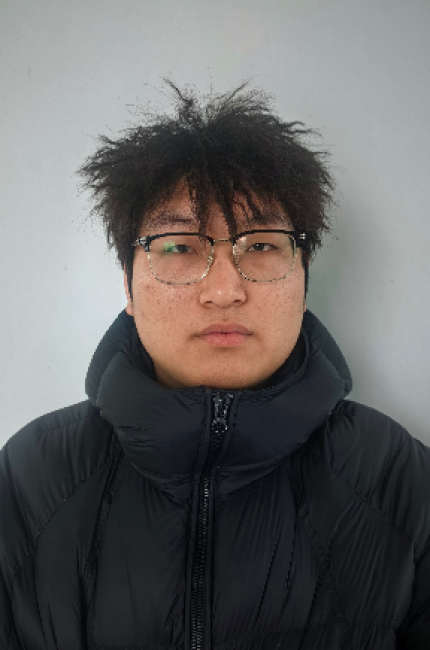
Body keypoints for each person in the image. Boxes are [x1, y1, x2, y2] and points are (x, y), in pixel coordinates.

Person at [1, 83, 429, 650]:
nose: (225, 290)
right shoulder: (30, 479)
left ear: (304, 279)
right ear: (128, 284)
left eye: (262, 245)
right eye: (179, 247)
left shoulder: (398, 477)